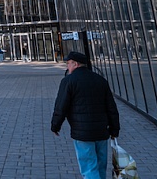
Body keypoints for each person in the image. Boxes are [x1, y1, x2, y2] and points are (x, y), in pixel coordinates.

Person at [51, 51, 120, 179]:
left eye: (68, 63)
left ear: (76, 64)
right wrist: (114, 129)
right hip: (101, 131)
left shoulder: (68, 81)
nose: (67, 66)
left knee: (89, 168)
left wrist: (55, 126)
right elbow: (111, 107)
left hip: (82, 132)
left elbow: (61, 106)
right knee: (100, 166)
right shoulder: (100, 80)